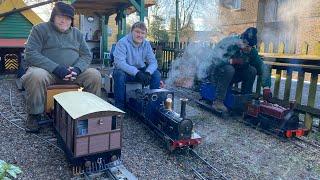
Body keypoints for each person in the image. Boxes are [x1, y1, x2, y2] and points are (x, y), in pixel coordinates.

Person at [22, 2, 101, 133]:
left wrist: (77, 69)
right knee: (35, 76)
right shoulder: (39, 29)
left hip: (73, 73)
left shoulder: (77, 34)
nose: (64, 20)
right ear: (53, 17)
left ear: (71, 20)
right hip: (48, 73)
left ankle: (90, 114)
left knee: (94, 75)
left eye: (68, 18)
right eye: (60, 16)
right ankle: (34, 115)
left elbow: (87, 55)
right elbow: (30, 53)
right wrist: (56, 68)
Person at [209, 27, 272, 113]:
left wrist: (266, 87)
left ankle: (245, 102)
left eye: (251, 46)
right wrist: (231, 61)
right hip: (216, 75)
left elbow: (262, 67)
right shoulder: (228, 43)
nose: (249, 49)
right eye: (247, 46)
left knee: (252, 70)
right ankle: (218, 102)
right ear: (241, 40)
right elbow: (214, 60)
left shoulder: (251, 51)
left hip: (232, 77)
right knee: (229, 69)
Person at [112, 22, 161, 109]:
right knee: (118, 74)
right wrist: (136, 72)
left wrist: (148, 72)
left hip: (141, 70)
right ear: (131, 32)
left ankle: (153, 106)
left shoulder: (146, 44)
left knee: (156, 74)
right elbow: (119, 63)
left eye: (142, 33)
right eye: (137, 32)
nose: (140, 35)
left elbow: (153, 62)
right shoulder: (122, 43)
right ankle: (119, 108)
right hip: (125, 71)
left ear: (145, 34)